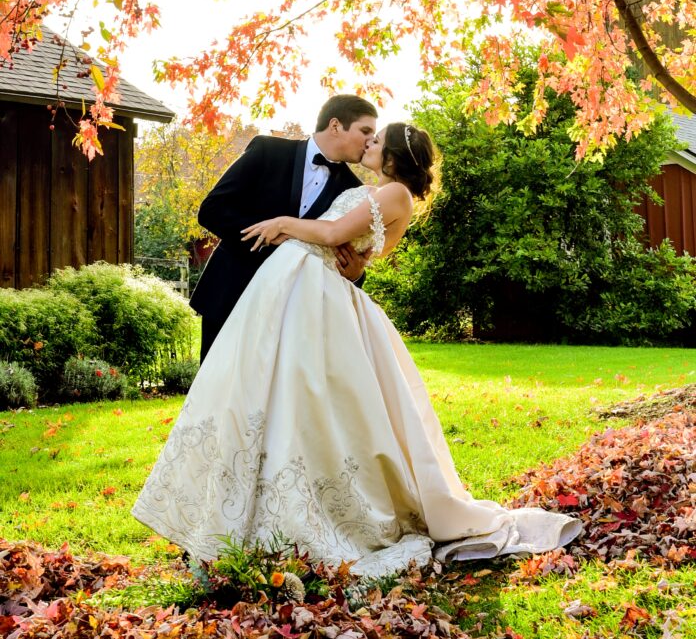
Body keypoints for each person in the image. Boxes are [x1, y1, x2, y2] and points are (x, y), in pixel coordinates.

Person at [132, 122, 581, 577]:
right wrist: (342, 259)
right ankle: (238, 505)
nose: (369, 143)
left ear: (393, 156)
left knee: (303, 398)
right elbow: (351, 251)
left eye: (376, 139)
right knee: (263, 394)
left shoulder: (396, 195)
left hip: (310, 291)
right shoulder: (375, 190)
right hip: (293, 285)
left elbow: (332, 236)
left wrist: (283, 225)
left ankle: (305, 510)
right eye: (368, 134)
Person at [190, 94, 378, 363]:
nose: (370, 141)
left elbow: (345, 254)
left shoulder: (354, 191)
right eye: (365, 131)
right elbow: (212, 210)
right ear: (335, 125)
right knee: (213, 388)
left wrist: (357, 274)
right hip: (231, 293)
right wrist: (270, 237)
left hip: (292, 314)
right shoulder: (268, 150)